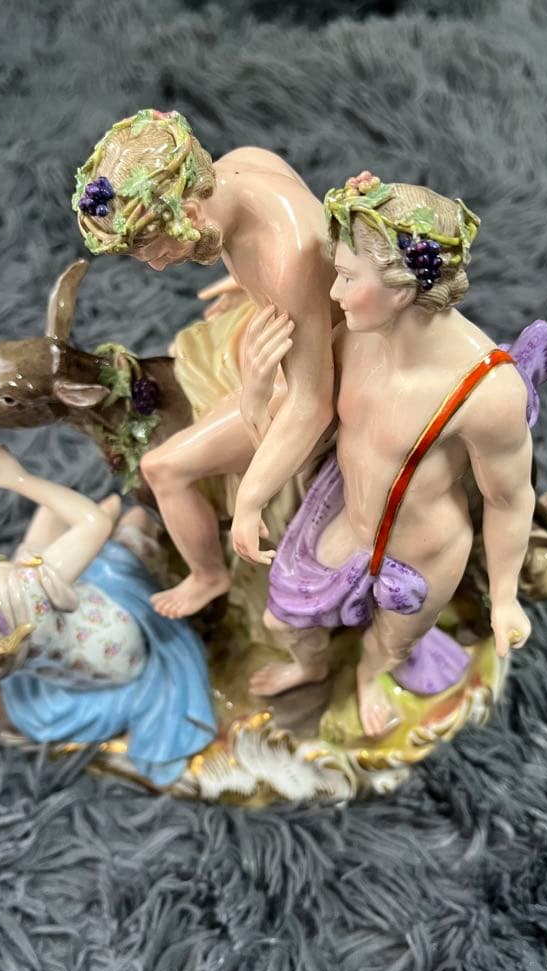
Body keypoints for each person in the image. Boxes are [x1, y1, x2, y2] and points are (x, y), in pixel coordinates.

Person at [246, 173, 547, 737]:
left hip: (422, 551)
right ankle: (310, 667)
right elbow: (298, 424)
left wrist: (505, 598)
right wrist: (258, 391)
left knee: (394, 641)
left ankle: (370, 676)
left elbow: (509, 499)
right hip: (345, 518)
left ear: (403, 287)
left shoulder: (487, 390)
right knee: (281, 618)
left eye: (346, 278)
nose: (332, 294)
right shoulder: (354, 334)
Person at [73, 109, 338, 618]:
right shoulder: (243, 164)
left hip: (317, 367)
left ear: (191, 214)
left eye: (154, 251)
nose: (156, 266)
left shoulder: (286, 259)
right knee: (188, 354)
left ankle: (208, 576)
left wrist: (252, 499)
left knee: (161, 467)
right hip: (284, 323)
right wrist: (248, 280)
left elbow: (312, 402)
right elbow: (320, 243)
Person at [0, 446, 216, 788]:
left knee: (68, 539)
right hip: (116, 629)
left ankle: (128, 534)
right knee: (124, 537)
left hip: (90, 667)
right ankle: (141, 535)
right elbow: (93, 523)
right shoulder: (27, 590)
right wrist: (19, 479)